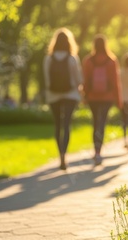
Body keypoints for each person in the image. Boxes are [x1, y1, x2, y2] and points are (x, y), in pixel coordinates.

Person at [43, 28, 83, 170]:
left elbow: (47, 79)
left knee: (57, 125)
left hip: (53, 95)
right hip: (70, 95)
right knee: (66, 125)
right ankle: (64, 157)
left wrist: (51, 90)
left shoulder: (49, 58)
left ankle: (60, 155)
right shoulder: (72, 58)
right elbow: (78, 78)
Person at [82, 34, 122, 165]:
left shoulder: (88, 61)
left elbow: (86, 80)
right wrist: (118, 100)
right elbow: (116, 82)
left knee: (95, 123)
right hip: (107, 97)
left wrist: (85, 96)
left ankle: (96, 150)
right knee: (102, 123)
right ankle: (99, 151)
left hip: (93, 97)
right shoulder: (111, 61)